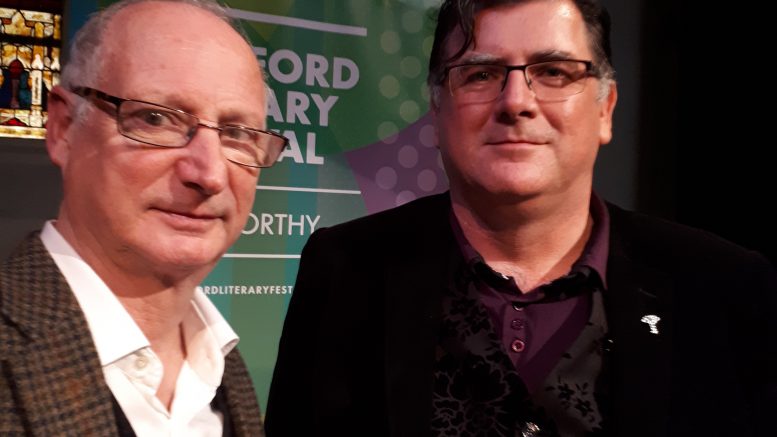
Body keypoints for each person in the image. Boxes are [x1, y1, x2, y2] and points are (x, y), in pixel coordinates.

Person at [265, 0, 777, 435]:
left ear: (605, 110)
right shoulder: (344, 269)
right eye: (481, 74)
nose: (516, 102)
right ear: (436, 113)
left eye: (553, 72)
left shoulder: (723, 286)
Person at [0, 0, 287, 435]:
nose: (209, 175)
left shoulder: (219, 363)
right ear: (63, 128)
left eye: (237, 134)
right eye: (155, 119)